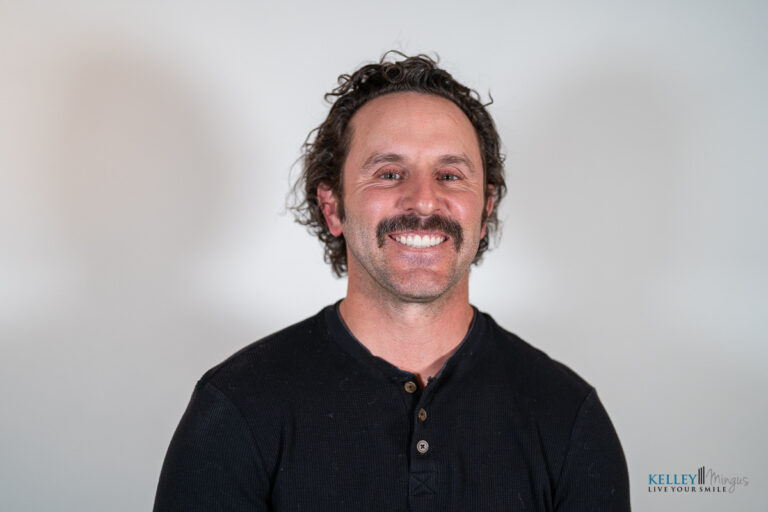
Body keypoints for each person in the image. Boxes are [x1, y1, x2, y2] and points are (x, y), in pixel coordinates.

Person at [153, 53, 630, 511]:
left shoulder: (567, 417)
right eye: (389, 173)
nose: (424, 200)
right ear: (333, 207)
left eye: (449, 174)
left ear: (484, 211)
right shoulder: (236, 410)